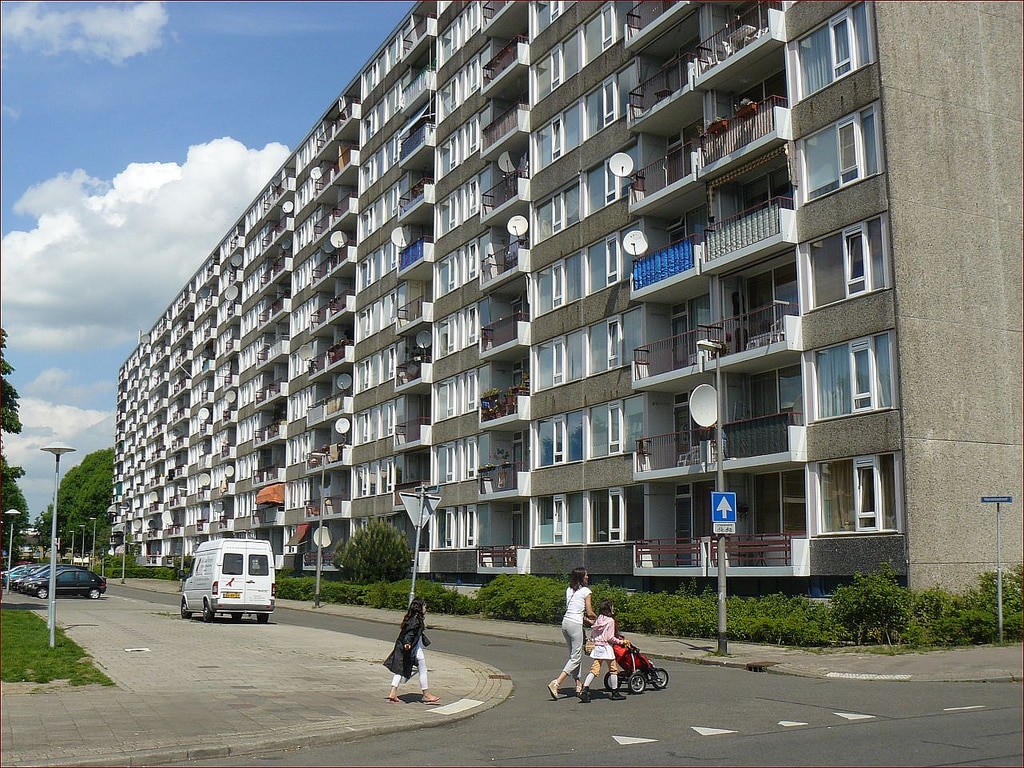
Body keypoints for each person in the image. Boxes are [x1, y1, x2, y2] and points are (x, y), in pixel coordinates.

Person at [547, 566, 595, 700]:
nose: (588, 577)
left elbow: (574, 609)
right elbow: (589, 611)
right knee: (576, 657)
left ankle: (578, 684)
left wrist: (586, 620)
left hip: (566, 623)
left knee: (573, 655)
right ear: (581, 577)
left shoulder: (569, 590)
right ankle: (556, 683)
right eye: (586, 575)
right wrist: (599, 618)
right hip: (575, 625)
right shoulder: (586, 591)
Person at [383, 596, 440, 705]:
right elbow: (409, 635)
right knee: (422, 669)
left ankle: (393, 692)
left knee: (400, 668)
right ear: (419, 608)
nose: (426, 609)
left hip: (403, 646)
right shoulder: (416, 620)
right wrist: (407, 643)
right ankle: (426, 694)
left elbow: (413, 633)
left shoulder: (412, 618)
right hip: (413, 649)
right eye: (425, 606)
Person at [579, 598, 627, 703]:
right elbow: (610, 638)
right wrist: (621, 642)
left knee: (594, 670)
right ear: (608, 609)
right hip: (606, 648)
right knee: (613, 670)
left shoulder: (599, 619)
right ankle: (615, 692)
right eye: (612, 607)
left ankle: (584, 689)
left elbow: (593, 634)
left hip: (598, 648)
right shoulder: (610, 621)